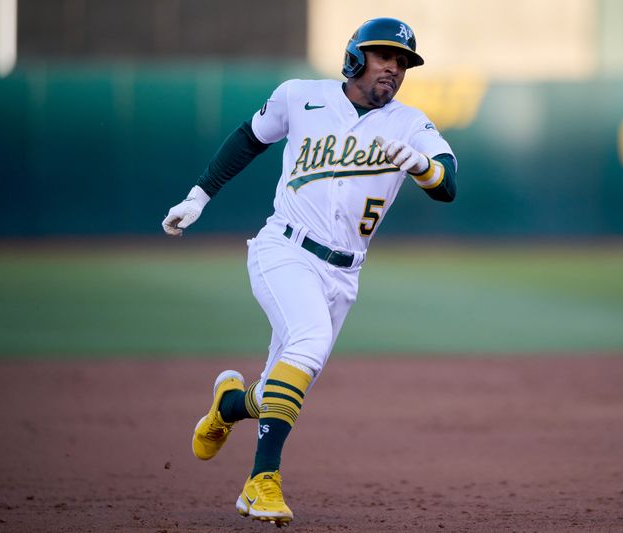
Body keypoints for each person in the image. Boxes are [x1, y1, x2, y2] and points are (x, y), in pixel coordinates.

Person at [161, 17, 457, 527]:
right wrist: (198, 197)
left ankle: (230, 405)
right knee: (310, 341)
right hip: (285, 249)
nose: (394, 68)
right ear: (355, 56)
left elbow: (448, 183)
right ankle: (261, 483)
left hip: (344, 275)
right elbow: (248, 139)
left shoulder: (410, 123)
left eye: (403, 61)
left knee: (285, 381)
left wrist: (423, 166)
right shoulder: (301, 96)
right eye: (384, 56)